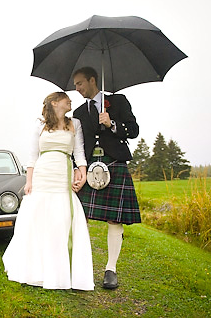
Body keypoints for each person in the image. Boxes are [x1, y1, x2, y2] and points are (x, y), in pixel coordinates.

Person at [2, 91, 94, 291]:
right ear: (54, 103)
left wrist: (83, 173)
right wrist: (29, 181)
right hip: (43, 173)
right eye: (65, 98)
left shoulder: (74, 124)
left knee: (61, 218)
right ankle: (38, 267)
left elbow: (79, 152)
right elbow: (33, 156)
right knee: (39, 217)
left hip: (63, 173)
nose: (70, 100)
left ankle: (61, 269)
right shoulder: (40, 125)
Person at [71, 66, 141, 290]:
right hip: (90, 165)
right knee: (80, 215)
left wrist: (112, 124)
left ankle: (111, 269)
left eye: (80, 83)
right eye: (75, 85)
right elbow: (78, 144)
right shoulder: (80, 113)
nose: (78, 88)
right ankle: (79, 265)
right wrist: (77, 168)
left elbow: (134, 129)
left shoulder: (118, 101)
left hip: (114, 163)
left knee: (115, 218)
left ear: (93, 80)